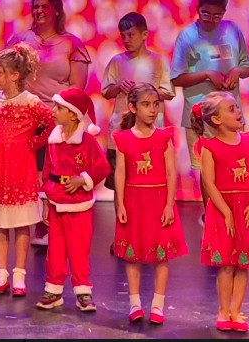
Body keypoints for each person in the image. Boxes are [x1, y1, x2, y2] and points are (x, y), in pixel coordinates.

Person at [6, 0, 91, 245]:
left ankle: (47, 226)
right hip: (24, 116)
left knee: (51, 172)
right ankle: (27, 224)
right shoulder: (21, 40)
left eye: (45, 6)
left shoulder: (72, 43)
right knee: (27, 173)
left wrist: (64, 117)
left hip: (56, 118)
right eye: (36, 6)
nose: (39, 11)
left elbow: (77, 88)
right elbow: (6, 75)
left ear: (56, 10)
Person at [194, 92, 249, 333]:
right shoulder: (210, 147)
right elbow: (209, 183)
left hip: (248, 208)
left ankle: (236, 310)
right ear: (216, 120)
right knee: (226, 264)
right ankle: (223, 310)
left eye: (237, 107)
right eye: (231, 109)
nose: (238, 112)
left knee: (243, 263)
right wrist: (226, 212)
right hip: (224, 209)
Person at [0, 44, 54, 297]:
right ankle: (1, 273)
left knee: (21, 223)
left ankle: (19, 273)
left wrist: (34, 143)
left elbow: (52, 122)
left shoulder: (31, 102)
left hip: (21, 168)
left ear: (14, 75)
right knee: (0, 223)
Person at [111, 83, 187, 325]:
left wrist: (169, 205)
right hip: (135, 201)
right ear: (133, 107)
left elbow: (170, 172)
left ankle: (157, 305)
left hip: (158, 201)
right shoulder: (123, 138)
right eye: (146, 105)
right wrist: (121, 204)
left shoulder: (164, 136)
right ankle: (135, 303)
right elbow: (120, 172)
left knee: (161, 255)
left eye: (155, 104)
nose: (153, 110)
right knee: (133, 254)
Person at [36, 88, 112, 313]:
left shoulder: (87, 141)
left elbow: (102, 168)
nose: (53, 111)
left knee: (79, 249)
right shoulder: (53, 141)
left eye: (59, 108)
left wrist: (82, 179)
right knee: (55, 250)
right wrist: (46, 201)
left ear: (73, 114)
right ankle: (53, 290)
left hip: (79, 205)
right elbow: (47, 172)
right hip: (56, 202)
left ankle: (82, 291)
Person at [172, 0, 249, 159]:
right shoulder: (187, 37)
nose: (211, 20)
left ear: (224, 12)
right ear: (198, 9)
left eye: (217, 15)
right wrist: (207, 75)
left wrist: (237, 71)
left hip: (231, 118)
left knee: (235, 166)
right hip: (199, 118)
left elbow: (247, 67)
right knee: (204, 169)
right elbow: (177, 79)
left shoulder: (233, 31)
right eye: (206, 14)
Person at [99, 12, 174, 190]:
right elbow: (106, 92)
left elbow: (169, 92)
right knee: (119, 180)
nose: (126, 40)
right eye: (123, 36)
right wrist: (118, 86)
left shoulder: (158, 61)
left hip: (151, 128)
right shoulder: (117, 61)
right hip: (121, 127)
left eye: (131, 35)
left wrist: (145, 91)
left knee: (150, 177)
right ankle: (120, 207)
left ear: (144, 34)